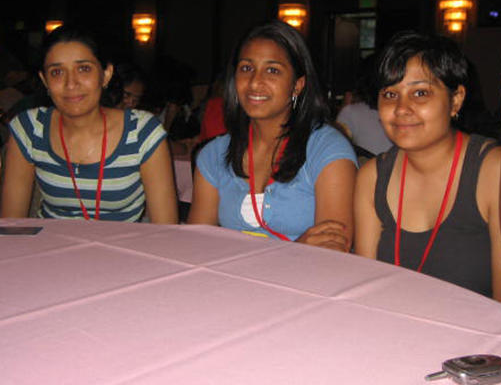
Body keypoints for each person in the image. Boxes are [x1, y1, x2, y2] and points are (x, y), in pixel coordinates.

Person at [354, 31, 501, 301]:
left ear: (456, 99)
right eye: (390, 94)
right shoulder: (372, 177)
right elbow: (366, 290)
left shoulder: (493, 170)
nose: (401, 108)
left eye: (420, 93)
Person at [188, 20, 357, 250]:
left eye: (272, 70)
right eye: (246, 68)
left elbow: (334, 250)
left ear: (297, 85)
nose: (255, 82)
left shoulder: (327, 150)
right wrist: (296, 249)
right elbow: (197, 246)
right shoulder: (213, 155)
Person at [0, 26, 178, 223]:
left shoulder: (142, 131)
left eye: (83, 69)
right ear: (44, 80)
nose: (71, 83)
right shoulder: (29, 128)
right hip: (51, 249)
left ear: (106, 74)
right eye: (57, 72)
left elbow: (165, 228)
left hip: (123, 251)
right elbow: (12, 225)